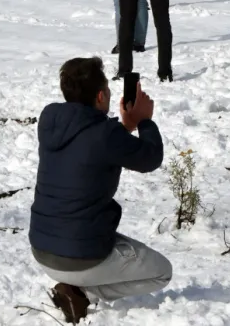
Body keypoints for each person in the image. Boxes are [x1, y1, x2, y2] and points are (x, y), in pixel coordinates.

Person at [29, 57, 171, 324]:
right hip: (81, 256)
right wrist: (144, 122)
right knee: (162, 272)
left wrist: (124, 126)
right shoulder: (105, 135)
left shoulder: (49, 119)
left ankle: (74, 287)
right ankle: (83, 293)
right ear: (101, 95)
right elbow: (150, 158)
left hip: (42, 249)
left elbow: (90, 142)